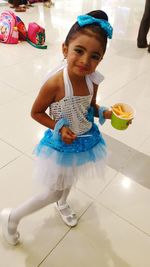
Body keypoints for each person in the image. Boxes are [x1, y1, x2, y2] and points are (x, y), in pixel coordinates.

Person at [0, 10, 113, 245]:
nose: (85, 61)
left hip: (83, 141)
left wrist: (105, 113)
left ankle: (62, 202)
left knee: (70, 179)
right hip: (60, 147)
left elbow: (89, 107)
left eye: (94, 56)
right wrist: (59, 127)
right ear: (65, 49)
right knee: (51, 191)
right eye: (79, 51)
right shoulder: (55, 83)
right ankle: (12, 216)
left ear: (100, 59)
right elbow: (36, 112)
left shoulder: (93, 80)